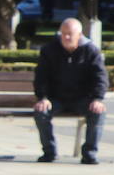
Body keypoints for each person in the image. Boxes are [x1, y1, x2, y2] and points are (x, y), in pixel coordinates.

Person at [34, 17, 107, 165]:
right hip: (56, 99)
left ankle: (89, 153)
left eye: (70, 34)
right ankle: (49, 152)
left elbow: (100, 77)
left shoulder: (91, 51)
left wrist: (97, 99)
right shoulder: (49, 50)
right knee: (41, 112)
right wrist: (42, 97)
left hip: (82, 99)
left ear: (79, 35)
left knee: (98, 113)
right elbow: (41, 77)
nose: (66, 37)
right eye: (63, 33)